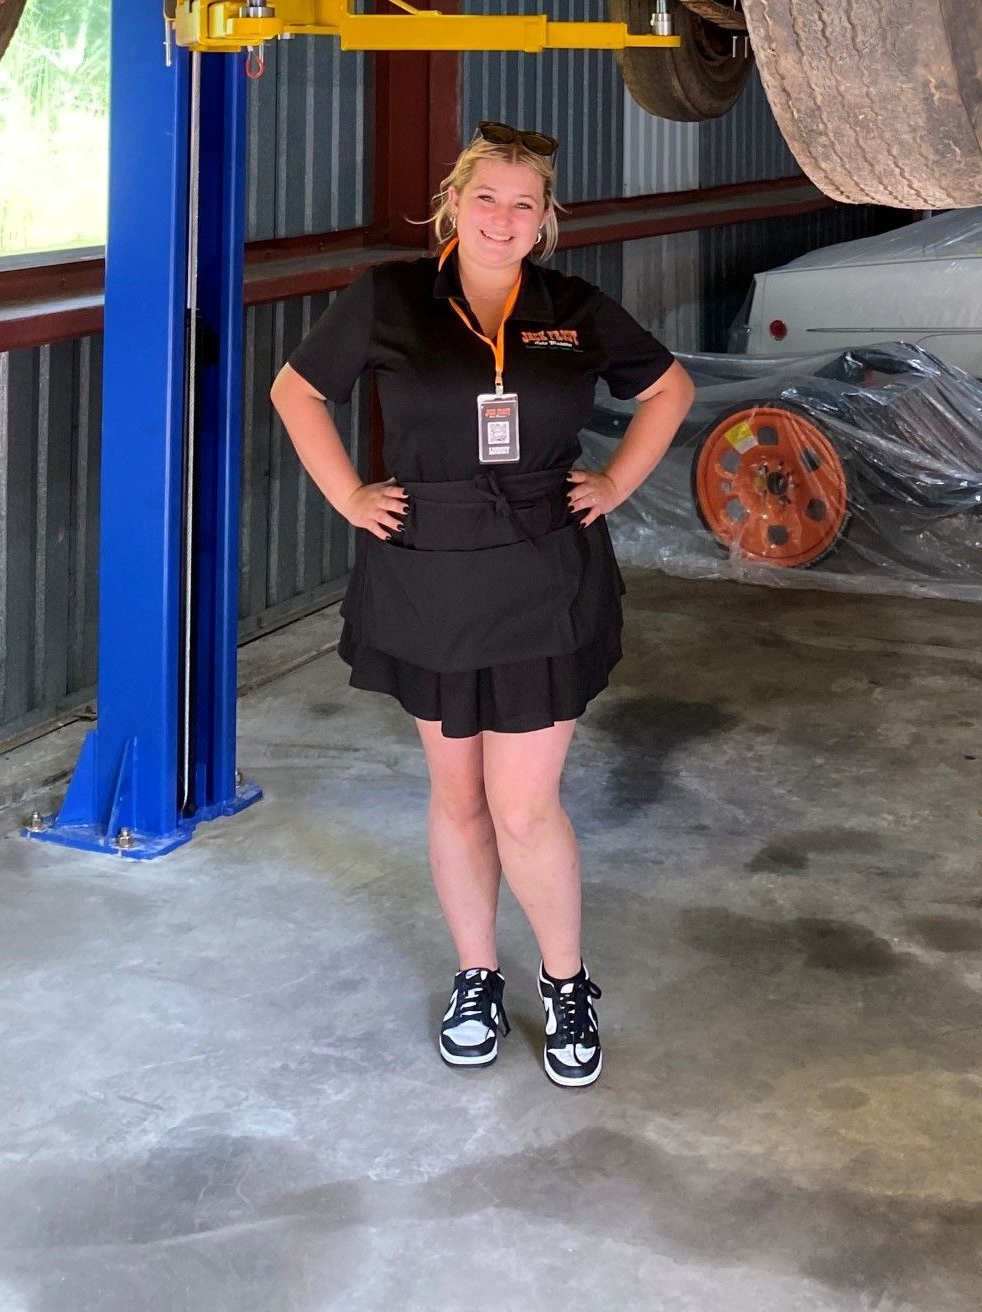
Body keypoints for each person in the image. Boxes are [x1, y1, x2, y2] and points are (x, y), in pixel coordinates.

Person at [270, 120, 694, 1087]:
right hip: (428, 566)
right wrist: (348, 494)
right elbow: (296, 393)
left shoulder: (574, 308)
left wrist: (617, 482)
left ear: (545, 221)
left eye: (523, 205)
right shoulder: (389, 298)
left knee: (524, 804)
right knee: (458, 795)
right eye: (487, 200)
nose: (503, 220)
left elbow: (669, 391)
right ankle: (476, 977)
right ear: (453, 205)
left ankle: (566, 982)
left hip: (544, 566)